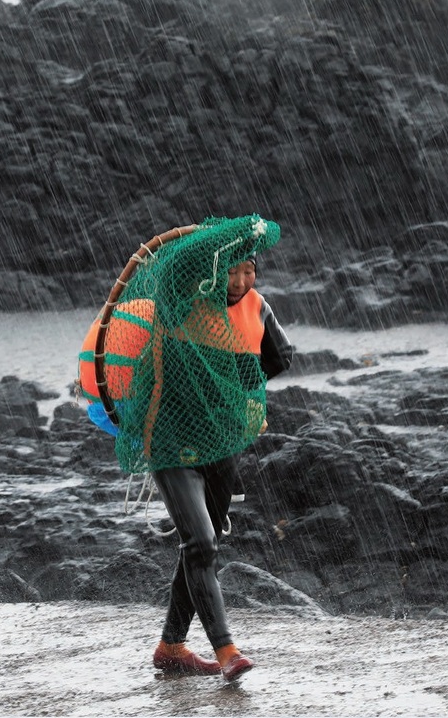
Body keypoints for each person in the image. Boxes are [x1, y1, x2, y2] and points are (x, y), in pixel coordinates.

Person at [149, 252, 293, 681]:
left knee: (202, 544)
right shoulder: (179, 303)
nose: (242, 279)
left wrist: (236, 383)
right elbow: (151, 348)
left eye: (249, 271)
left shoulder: (258, 306)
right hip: (170, 438)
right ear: (212, 272)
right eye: (233, 270)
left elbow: (281, 356)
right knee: (202, 544)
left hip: (224, 439)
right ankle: (227, 650)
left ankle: (171, 646)